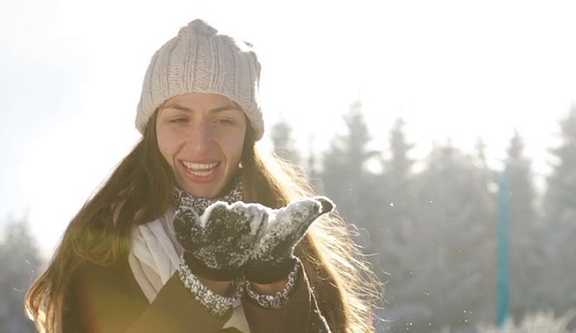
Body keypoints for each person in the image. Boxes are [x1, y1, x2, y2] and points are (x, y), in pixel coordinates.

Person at [24, 19, 382, 332]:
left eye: (223, 120)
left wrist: (272, 281)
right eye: (179, 119)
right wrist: (204, 280)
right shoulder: (104, 243)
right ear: (153, 130)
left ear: (247, 133)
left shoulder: (286, 237)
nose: (200, 145)